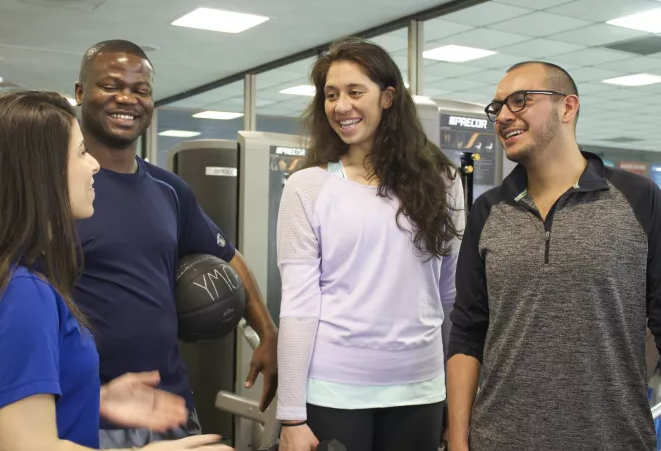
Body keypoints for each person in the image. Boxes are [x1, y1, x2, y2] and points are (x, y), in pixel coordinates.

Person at [0, 90, 233, 451]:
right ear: (40, 174)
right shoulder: (22, 293)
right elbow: (28, 446)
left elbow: (5, 401)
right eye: (82, 152)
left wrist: (93, 399)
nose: (95, 165)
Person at [72, 40, 278, 448]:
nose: (127, 99)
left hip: (170, 404)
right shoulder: (64, 189)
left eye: (141, 90)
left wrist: (268, 332)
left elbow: (227, 256)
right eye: (111, 86)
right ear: (80, 93)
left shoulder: (169, 189)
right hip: (92, 409)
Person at [446, 61, 661, 451]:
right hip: (500, 439)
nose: (504, 116)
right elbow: (467, 333)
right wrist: (459, 442)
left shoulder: (639, 199)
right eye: (498, 108)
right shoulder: (489, 211)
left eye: (520, 100)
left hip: (615, 439)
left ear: (568, 107)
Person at [275, 37, 465, 451]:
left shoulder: (443, 182)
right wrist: (291, 414)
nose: (341, 106)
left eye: (355, 91)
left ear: (388, 97)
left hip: (422, 387)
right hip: (334, 388)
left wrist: (459, 402)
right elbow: (299, 305)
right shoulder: (308, 187)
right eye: (331, 94)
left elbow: (451, 296)